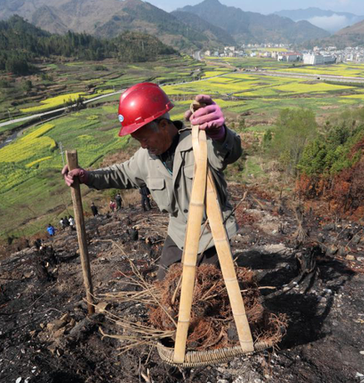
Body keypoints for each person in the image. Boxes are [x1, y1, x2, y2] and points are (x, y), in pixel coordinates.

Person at [62, 82, 242, 279]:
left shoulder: (199, 142)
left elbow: (228, 152)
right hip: (179, 232)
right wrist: (87, 176)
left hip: (211, 233)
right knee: (165, 284)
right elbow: (120, 173)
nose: (143, 145)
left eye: (145, 139)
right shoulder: (145, 157)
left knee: (206, 288)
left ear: (163, 126)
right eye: (138, 141)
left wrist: (220, 133)